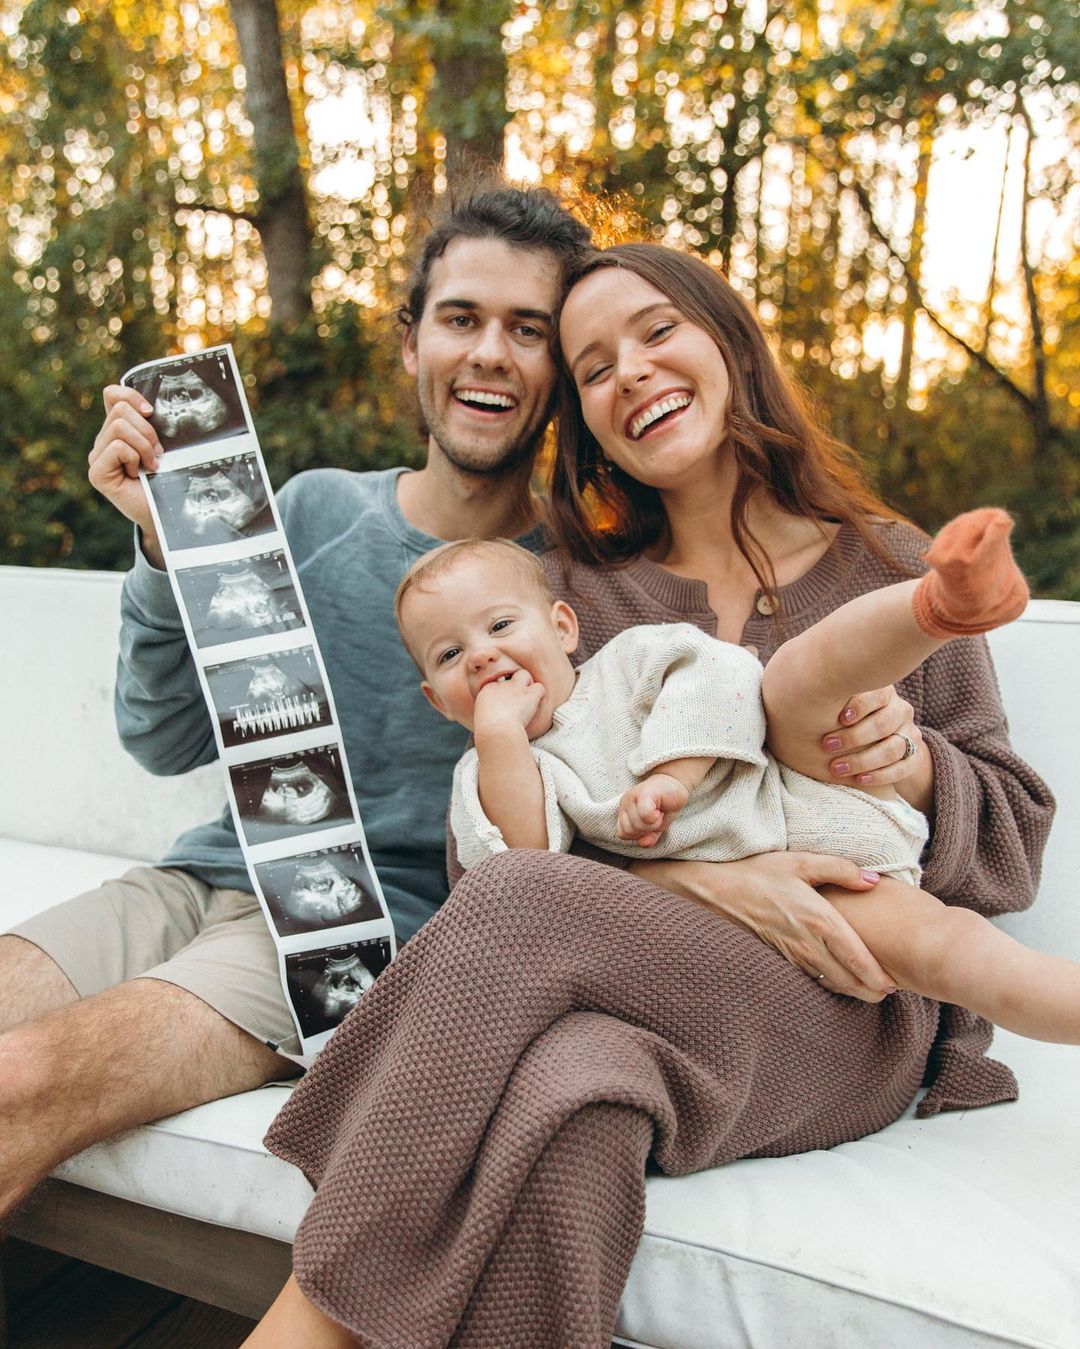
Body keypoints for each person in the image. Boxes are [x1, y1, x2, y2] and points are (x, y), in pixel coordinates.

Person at [247, 244, 1054, 1349]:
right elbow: (496, 851)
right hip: (647, 1001)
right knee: (575, 1096)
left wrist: (913, 766)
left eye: (657, 330)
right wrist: (716, 881)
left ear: (728, 342)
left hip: (855, 994)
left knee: (528, 909)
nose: (629, 370)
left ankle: (291, 1319)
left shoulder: (896, 569)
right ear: (583, 417)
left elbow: (1009, 853)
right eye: (591, 365)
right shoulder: (578, 593)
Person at [0, 184, 593, 1221]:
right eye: (462, 318)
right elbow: (161, 734)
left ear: (560, 369)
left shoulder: (577, 586)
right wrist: (158, 547)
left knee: (19, 1085)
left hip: (349, 930)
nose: (491, 351)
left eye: (527, 329)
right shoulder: (315, 507)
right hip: (203, 871)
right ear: (413, 343)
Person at [395, 530, 1079, 1044]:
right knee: (960, 956)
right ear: (437, 699)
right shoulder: (490, 773)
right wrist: (501, 739)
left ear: (564, 626)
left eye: (500, 625)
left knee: (796, 676)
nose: (482, 654)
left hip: (796, 786)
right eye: (451, 654)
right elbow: (522, 868)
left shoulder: (630, 660)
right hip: (823, 894)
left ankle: (938, 603)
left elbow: (720, 674)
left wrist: (673, 775)